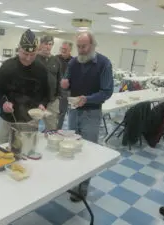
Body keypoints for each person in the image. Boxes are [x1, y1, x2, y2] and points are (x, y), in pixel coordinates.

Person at [61, 31, 114, 202]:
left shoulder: (104, 63)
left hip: (92, 112)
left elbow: (107, 91)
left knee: (87, 150)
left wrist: (87, 99)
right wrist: (64, 83)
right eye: (78, 46)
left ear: (92, 46)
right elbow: (66, 81)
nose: (81, 50)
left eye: (84, 46)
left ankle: (82, 188)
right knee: (71, 146)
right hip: (74, 110)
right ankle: (72, 180)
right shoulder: (74, 62)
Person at [0, 29, 50, 144]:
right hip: (8, 119)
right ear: (19, 49)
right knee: (5, 149)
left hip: (30, 120)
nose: (28, 58)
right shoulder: (7, 66)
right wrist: (3, 104)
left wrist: (43, 104)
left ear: (37, 51)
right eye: (25, 54)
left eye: (32, 55)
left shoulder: (41, 69)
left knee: (27, 149)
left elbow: (46, 94)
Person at [36, 35, 62, 131]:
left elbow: (59, 79)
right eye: (46, 44)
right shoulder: (33, 59)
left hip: (52, 101)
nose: (48, 46)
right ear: (41, 44)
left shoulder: (55, 60)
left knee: (52, 129)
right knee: (32, 128)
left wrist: (58, 96)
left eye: (50, 44)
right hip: (36, 101)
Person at [56, 41, 73, 129]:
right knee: (51, 111)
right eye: (62, 48)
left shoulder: (74, 61)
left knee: (62, 112)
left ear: (70, 50)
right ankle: (50, 128)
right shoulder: (55, 59)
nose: (63, 50)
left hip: (66, 92)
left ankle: (57, 129)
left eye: (65, 49)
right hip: (54, 90)